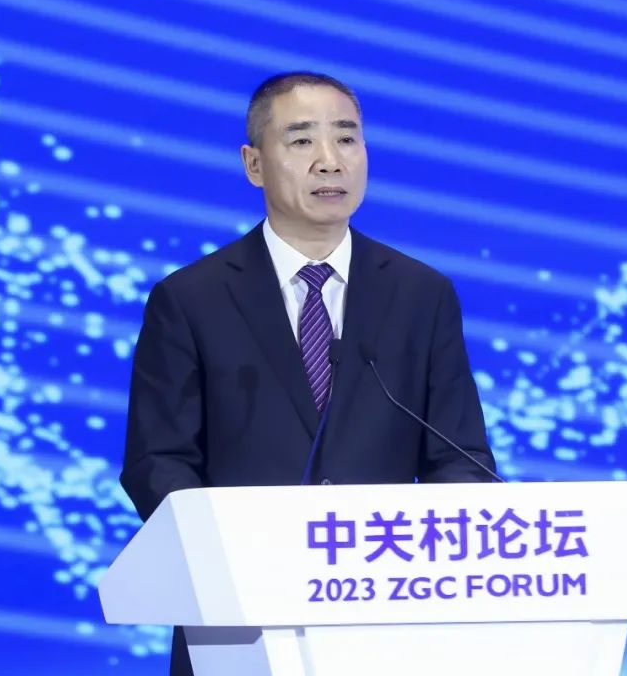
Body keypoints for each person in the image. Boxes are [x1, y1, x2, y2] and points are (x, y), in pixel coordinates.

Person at [118, 72, 497, 676]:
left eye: (346, 139)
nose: (330, 161)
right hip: (239, 620)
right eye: (301, 141)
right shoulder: (191, 299)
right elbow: (157, 462)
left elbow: (461, 459)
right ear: (254, 164)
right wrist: (232, 555)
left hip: (386, 615)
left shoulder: (421, 294)